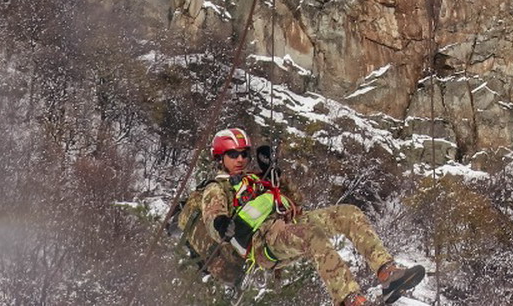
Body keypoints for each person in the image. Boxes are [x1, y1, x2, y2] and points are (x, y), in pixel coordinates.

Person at [179, 127, 426, 304]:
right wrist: (222, 224)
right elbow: (213, 218)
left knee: (349, 214)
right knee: (313, 236)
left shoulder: (255, 179)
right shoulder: (216, 187)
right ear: (220, 158)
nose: (241, 159)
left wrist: (273, 173)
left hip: (288, 223)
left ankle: (388, 274)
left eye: (244, 153)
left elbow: (295, 200)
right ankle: (349, 298)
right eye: (233, 154)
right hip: (261, 240)